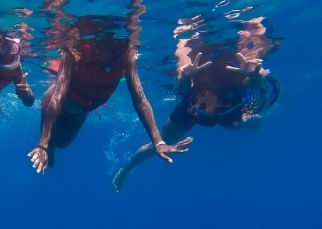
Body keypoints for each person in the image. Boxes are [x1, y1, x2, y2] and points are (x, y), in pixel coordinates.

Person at [112, 18, 277, 191]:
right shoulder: (190, 52)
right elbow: (184, 89)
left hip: (229, 110)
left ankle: (251, 119)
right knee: (160, 143)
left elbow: (254, 85)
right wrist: (186, 77)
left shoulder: (241, 56)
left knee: (242, 123)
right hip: (194, 109)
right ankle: (125, 171)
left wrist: (255, 76)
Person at [28, 15, 192, 174]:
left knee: (63, 143)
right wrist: (43, 144)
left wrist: (158, 142)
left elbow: (140, 100)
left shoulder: (126, 56)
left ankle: (51, 147)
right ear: (97, 42)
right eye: (110, 44)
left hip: (83, 109)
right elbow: (57, 97)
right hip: (56, 102)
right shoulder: (74, 50)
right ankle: (48, 150)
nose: (114, 50)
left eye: (120, 44)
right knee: (51, 145)